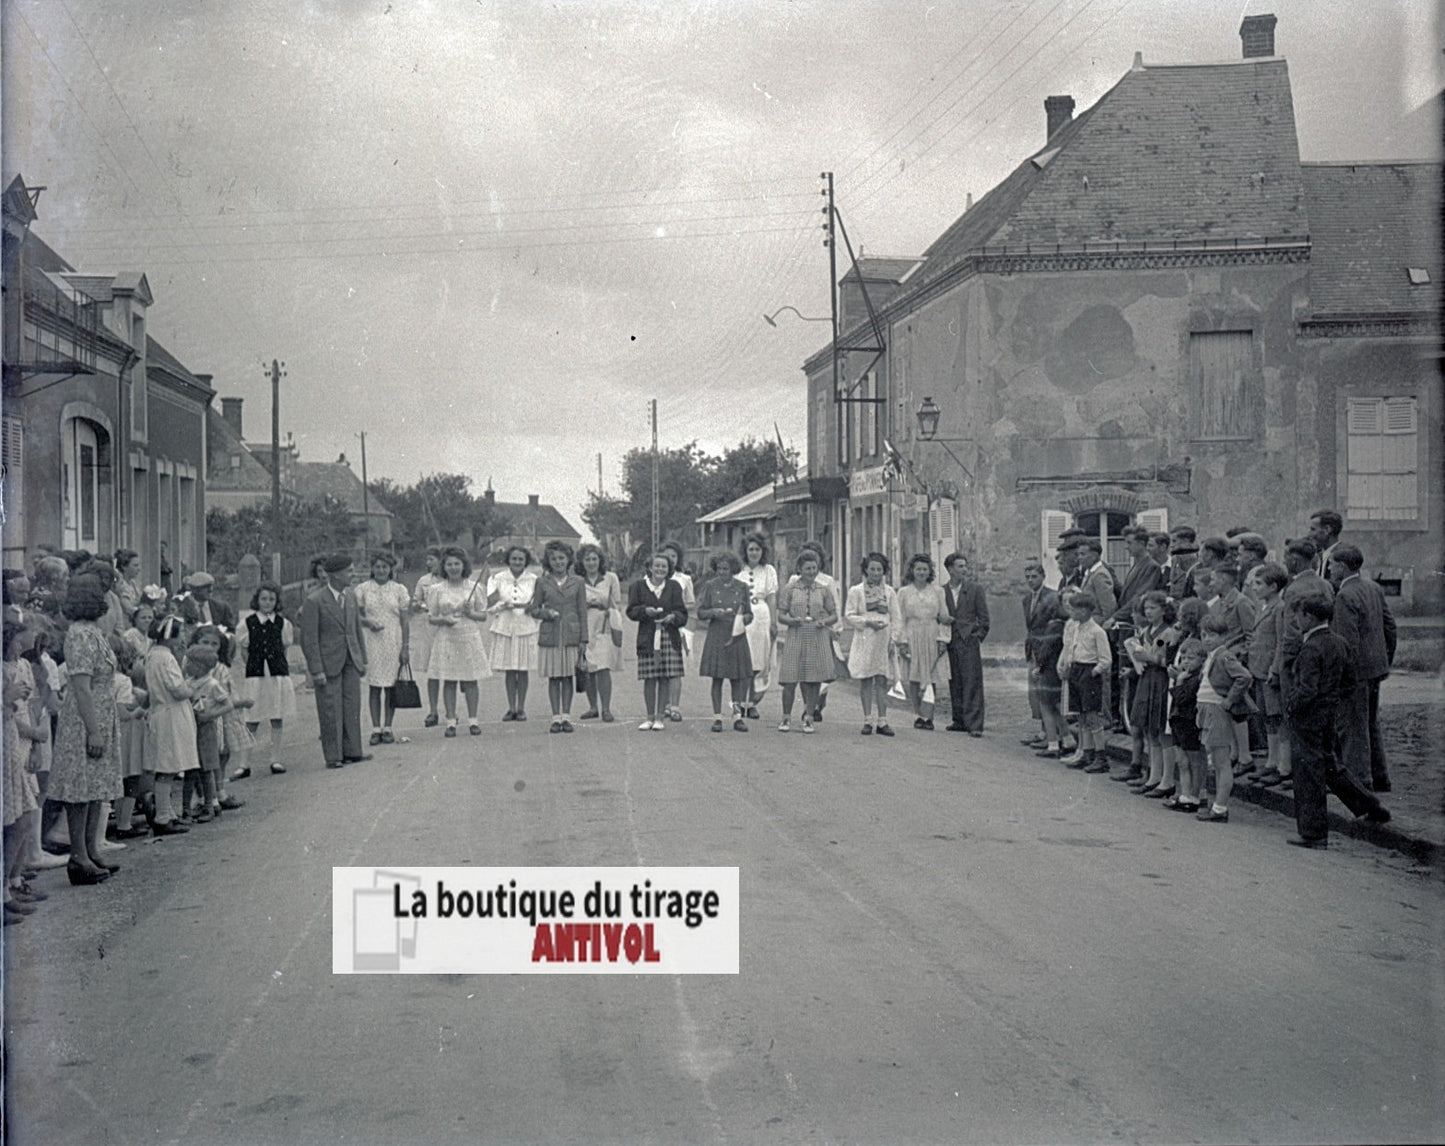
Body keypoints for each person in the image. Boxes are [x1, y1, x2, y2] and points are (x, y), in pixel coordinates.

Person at [1283, 593, 1390, 848]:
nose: (1296, 620)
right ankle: (1370, 805)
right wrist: (1331, 702)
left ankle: (1313, 832)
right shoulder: (1339, 642)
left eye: (1298, 615)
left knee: (1308, 773)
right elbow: (1350, 682)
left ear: (1308, 616)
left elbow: (1306, 690)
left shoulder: (1310, 648)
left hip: (1308, 718)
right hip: (1328, 714)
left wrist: (1291, 707)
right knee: (1331, 765)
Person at [49, 576, 124, 884]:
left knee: (95, 786)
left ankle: (91, 850)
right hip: (84, 718)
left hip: (101, 714)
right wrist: (93, 730)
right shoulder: (79, 634)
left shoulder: (94, 632)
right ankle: (77, 856)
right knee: (80, 788)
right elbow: (81, 686)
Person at [1328, 545, 1396, 792]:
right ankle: (1380, 777)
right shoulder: (1373, 588)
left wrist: (1343, 674)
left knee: (1352, 726)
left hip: (1355, 672)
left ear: (1343, 567)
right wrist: (1384, 660)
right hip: (1375, 669)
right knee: (1370, 723)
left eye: (1332, 565)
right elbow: (1390, 627)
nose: (1330, 569)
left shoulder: (1345, 595)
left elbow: (1347, 641)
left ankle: (1358, 781)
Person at [299, 553, 370, 766]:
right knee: (330, 709)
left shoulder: (350, 596)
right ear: (336, 575)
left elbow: (356, 629)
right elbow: (309, 639)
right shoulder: (314, 601)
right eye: (349, 571)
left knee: (352, 705)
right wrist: (316, 669)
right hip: (328, 662)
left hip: (351, 659)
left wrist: (362, 659)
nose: (353, 574)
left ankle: (353, 751)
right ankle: (334, 756)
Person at [424, 546, 492, 737]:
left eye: (457, 564)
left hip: (468, 636)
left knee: (471, 680)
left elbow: (483, 616)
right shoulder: (436, 589)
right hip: (446, 637)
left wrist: (471, 613)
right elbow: (431, 617)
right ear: (443, 567)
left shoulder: (475, 588)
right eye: (449, 564)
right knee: (450, 680)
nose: (453, 568)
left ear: (464, 566)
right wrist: (444, 620)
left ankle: (473, 720)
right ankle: (451, 721)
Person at [4, 620, 45, 923]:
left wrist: (34, 744)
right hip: (7, 745)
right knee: (15, 816)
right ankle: (7, 888)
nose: (21, 647)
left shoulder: (19, 666)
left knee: (23, 814)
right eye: (17, 641)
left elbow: (26, 706)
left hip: (14, 744)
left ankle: (10, 885)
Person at [1193, 615, 1252, 823]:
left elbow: (1244, 677)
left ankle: (1220, 807)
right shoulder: (1211, 656)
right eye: (1204, 635)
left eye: (1213, 635)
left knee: (1221, 760)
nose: (1207, 639)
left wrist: (1229, 699)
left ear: (1223, 636)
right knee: (1216, 761)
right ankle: (1218, 804)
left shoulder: (1225, 656)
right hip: (1206, 710)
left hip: (1216, 710)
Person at [235, 581, 298, 777]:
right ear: (257, 600)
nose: (267, 602)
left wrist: (278, 666)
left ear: (277, 601)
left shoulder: (283, 623)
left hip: (276, 674)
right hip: (256, 675)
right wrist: (254, 665)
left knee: (276, 716)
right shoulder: (247, 623)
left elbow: (285, 647)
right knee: (252, 719)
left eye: (272, 599)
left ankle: (275, 759)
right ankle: (244, 764)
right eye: (264, 598)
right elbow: (244, 651)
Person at [144, 615, 198, 834]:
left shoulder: (152, 655)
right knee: (167, 766)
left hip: (162, 712)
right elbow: (177, 689)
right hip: (170, 714)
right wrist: (191, 689)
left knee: (170, 764)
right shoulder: (166, 658)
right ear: (169, 635)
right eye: (181, 632)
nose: (184, 635)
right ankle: (162, 817)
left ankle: (168, 812)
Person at [1122, 591, 1179, 796]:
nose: (1148, 612)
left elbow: (1167, 660)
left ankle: (1166, 780)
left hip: (1161, 680)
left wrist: (1149, 657)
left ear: (1164, 610)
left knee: (1161, 730)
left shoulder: (1168, 633)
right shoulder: (1146, 631)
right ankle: (1153, 776)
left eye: (1153, 608)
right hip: (1147, 679)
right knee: (1149, 730)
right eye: (1146, 608)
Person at [775, 549, 837, 733]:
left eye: (814, 568)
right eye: (807, 568)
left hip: (817, 637)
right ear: (799, 569)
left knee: (813, 679)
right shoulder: (790, 589)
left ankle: (809, 717)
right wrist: (791, 621)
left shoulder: (823, 590)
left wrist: (824, 621)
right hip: (796, 635)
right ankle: (786, 718)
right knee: (789, 679)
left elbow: (834, 614)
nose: (811, 572)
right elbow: (781, 614)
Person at [530, 540, 588, 734]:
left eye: (561, 558)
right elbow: (534, 609)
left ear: (569, 560)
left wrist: (584, 640)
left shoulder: (578, 582)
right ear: (548, 561)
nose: (558, 562)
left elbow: (582, 611)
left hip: (572, 634)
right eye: (553, 559)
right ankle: (555, 717)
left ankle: (567, 717)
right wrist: (546, 614)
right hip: (551, 635)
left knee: (568, 677)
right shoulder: (542, 582)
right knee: (555, 677)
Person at [627, 551, 688, 730]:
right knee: (649, 678)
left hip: (669, 637)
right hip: (647, 637)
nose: (660, 569)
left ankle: (660, 717)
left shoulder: (674, 587)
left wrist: (672, 617)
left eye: (664, 566)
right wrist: (645, 611)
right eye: (657, 565)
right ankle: (649, 717)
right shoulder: (638, 587)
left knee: (664, 678)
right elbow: (631, 611)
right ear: (650, 567)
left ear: (669, 569)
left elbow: (683, 614)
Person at [354, 554, 411, 746]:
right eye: (377, 567)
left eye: (384, 567)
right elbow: (356, 617)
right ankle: (375, 728)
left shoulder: (399, 590)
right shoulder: (362, 589)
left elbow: (404, 620)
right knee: (375, 686)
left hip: (392, 640)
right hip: (371, 640)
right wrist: (368, 623)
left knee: (390, 686)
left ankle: (388, 727)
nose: (381, 570)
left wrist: (405, 647)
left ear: (390, 569)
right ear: (372, 568)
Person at [696, 551, 754, 732]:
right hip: (717, 635)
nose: (722, 572)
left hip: (736, 636)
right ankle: (717, 717)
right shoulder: (710, 586)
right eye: (719, 568)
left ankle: (737, 716)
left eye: (725, 569)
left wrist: (744, 618)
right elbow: (700, 612)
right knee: (717, 678)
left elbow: (750, 613)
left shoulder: (743, 587)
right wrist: (714, 612)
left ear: (733, 569)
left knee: (737, 679)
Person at [1243, 563, 1289, 788]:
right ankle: (1271, 761)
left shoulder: (1279, 608)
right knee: (1267, 717)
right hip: (1258, 669)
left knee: (1276, 717)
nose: (1255, 587)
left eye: (1260, 584)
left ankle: (1283, 765)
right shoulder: (1262, 607)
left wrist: (1275, 668)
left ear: (1273, 587)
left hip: (1270, 671)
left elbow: (1281, 641)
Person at [844, 552, 900, 736]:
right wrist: (867, 622)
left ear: (884, 571)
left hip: (883, 640)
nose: (876, 572)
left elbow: (896, 617)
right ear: (866, 570)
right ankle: (867, 719)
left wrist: (894, 639)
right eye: (872, 569)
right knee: (866, 679)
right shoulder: (856, 591)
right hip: (865, 638)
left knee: (882, 679)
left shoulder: (889, 592)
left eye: (879, 569)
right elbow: (849, 615)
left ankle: (882, 720)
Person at [1057, 591, 1111, 773]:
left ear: (1086, 611)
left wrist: (1093, 672)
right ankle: (1086, 753)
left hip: (1089, 673)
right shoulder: (1076, 629)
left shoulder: (1098, 632)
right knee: (1081, 716)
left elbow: (1106, 659)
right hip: (1076, 670)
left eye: (1076, 610)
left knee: (1093, 717)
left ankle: (1100, 756)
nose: (1072, 613)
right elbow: (1072, 649)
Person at [895, 554, 950, 731]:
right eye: (918, 569)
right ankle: (918, 714)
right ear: (912, 570)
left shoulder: (938, 591)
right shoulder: (903, 592)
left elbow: (944, 617)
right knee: (914, 675)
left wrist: (943, 639)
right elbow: (899, 619)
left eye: (924, 569)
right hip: (912, 634)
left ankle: (929, 716)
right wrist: (901, 641)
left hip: (931, 634)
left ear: (929, 572)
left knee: (930, 675)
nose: (921, 572)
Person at [486, 546, 539, 723]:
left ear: (526, 561)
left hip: (525, 626)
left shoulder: (534, 580)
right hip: (505, 626)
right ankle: (511, 708)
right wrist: (501, 605)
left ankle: (521, 708)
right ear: (508, 560)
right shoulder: (497, 578)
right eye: (514, 559)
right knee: (510, 669)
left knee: (522, 669)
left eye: (520, 559)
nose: (517, 562)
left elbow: (538, 604)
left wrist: (532, 609)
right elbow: (489, 606)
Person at [1021, 561, 1067, 758]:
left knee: (1047, 694)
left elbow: (1055, 626)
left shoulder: (1052, 597)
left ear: (1043, 576)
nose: (1031, 581)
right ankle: (1045, 732)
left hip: (1047, 651)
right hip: (1033, 648)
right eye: (1028, 577)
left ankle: (1052, 736)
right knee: (1036, 694)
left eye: (1034, 577)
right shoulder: (1026, 599)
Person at [941, 552, 989, 736]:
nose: (964, 570)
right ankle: (959, 720)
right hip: (950, 641)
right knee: (955, 681)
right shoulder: (942, 591)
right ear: (950, 569)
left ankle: (975, 724)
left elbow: (984, 618)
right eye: (960, 566)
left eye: (965, 566)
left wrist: (977, 636)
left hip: (968, 641)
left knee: (972, 682)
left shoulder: (975, 589)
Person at [576, 544, 623, 723]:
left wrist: (607, 607)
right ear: (582, 561)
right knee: (588, 668)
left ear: (600, 560)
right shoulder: (578, 579)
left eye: (594, 559)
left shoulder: (610, 578)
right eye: (587, 559)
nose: (591, 562)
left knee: (603, 668)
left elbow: (617, 604)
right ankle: (592, 707)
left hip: (604, 625)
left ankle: (606, 709)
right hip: (585, 625)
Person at [736, 532, 778, 720]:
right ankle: (738, 702)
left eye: (757, 549)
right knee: (743, 660)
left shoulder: (769, 570)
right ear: (745, 551)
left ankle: (752, 703)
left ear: (763, 551)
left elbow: (771, 596)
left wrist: (774, 622)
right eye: (751, 549)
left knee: (759, 661)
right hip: (742, 616)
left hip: (761, 616)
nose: (754, 553)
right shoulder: (738, 570)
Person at [1165, 638, 1206, 813]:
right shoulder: (1184, 676)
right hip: (1177, 721)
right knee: (1181, 760)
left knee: (1193, 761)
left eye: (1191, 658)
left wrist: (1179, 681)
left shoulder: (1195, 679)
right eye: (1183, 658)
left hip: (1189, 722)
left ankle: (1195, 797)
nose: (1186, 662)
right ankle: (1184, 794)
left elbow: (1182, 698)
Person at [658, 541, 696, 723]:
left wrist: (676, 606)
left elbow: (691, 603)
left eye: (673, 556)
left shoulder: (684, 579)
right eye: (666, 556)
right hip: (658, 626)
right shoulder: (654, 577)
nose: (670, 559)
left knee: (675, 669)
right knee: (661, 668)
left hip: (678, 625)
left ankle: (675, 707)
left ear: (678, 558)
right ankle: (663, 705)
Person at [409, 547, 446, 728]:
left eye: (432, 559)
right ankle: (433, 711)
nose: (428, 563)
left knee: (450, 669)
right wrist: (417, 605)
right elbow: (415, 601)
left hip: (448, 628)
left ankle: (451, 711)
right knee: (433, 671)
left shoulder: (451, 579)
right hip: (430, 628)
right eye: (427, 559)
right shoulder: (424, 581)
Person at [1308, 509, 1343, 580]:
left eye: (1313, 529)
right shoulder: (1319, 557)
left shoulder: (1342, 557)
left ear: (1327, 529)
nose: (1309, 534)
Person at [113, 548, 144, 619]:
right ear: (123, 566)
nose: (139, 569)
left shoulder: (133, 583)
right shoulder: (119, 585)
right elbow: (128, 609)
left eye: (139, 565)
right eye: (135, 565)